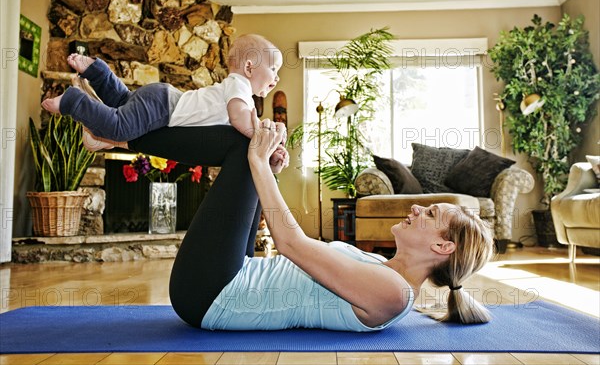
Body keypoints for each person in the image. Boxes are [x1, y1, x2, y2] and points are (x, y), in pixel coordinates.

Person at [125, 111, 495, 331]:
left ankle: (117, 133)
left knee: (244, 144)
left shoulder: (394, 295)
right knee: (251, 147)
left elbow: (291, 244)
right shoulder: (385, 271)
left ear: (442, 247)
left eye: (430, 214)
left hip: (211, 295)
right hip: (233, 275)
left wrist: (256, 162)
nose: (416, 209)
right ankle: (119, 131)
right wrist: (265, 169)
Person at [41, 34, 283, 152]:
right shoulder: (240, 86)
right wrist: (258, 135)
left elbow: (248, 119)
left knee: (122, 100)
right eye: (273, 69)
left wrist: (270, 141)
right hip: (164, 108)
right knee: (118, 127)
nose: (277, 77)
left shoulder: (240, 92)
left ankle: (97, 71)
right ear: (249, 67)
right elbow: (238, 117)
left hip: (162, 98)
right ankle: (73, 101)